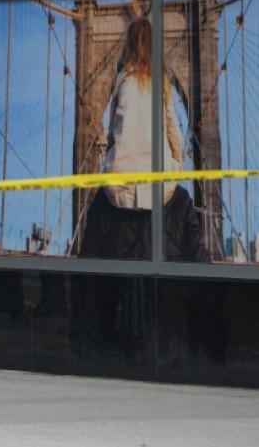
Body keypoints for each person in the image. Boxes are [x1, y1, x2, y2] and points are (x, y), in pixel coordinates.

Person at [73, 18, 211, 358]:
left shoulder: (121, 80)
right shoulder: (162, 82)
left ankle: (98, 341)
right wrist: (175, 165)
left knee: (92, 253)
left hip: (117, 193)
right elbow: (172, 130)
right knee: (192, 242)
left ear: (128, 48)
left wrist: (112, 165)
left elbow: (114, 132)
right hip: (161, 193)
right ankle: (198, 338)